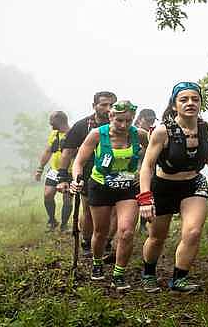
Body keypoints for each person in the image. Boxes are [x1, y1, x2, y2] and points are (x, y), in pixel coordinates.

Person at [138, 82, 208, 293]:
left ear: (200, 103)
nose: (190, 103)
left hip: (193, 184)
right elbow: (147, 166)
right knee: (157, 237)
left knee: (192, 232)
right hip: (163, 186)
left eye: (195, 99)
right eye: (184, 100)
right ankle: (149, 273)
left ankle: (179, 278)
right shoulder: (162, 131)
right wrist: (145, 198)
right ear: (174, 106)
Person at [71, 100, 149, 291]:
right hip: (100, 186)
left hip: (127, 187)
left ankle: (119, 274)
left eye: (128, 121)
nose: (124, 125)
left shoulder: (139, 135)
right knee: (101, 232)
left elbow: (152, 155)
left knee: (127, 231)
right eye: (119, 120)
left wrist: (142, 170)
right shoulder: (97, 134)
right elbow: (79, 161)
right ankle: (97, 263)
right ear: (111, 117)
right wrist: (76, 179)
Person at [57, 91, 117, 257]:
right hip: (89, 175)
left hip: (115, 175)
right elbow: (68, 151)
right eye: (104, 104)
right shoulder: (82, 126)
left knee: (114, 212)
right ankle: (86, 239)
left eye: (112, 105)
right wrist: (63, 178)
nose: (108, 108)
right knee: (89, 211)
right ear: (94, 106)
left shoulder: (121, 126)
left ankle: (106, 241)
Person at [35, 111, 73, 232]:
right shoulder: (54, 134)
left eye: (52, 121)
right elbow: (47, 151)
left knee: (67, 198)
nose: (50, 123)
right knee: (47, 195)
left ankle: (64, 225)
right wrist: (40, 169)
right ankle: (52, 220)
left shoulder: (73, 134)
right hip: (54, 170)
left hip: (70, 172)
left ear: (59, 120)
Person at [134, 108, 157, 234]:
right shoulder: (132, 132)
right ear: (140, 119)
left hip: (146, 171)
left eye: (152, 121)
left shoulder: (152, 133)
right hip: (130, 171)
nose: (150, 123)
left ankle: (143, 225)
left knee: (146, 196)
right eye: (148, 120)